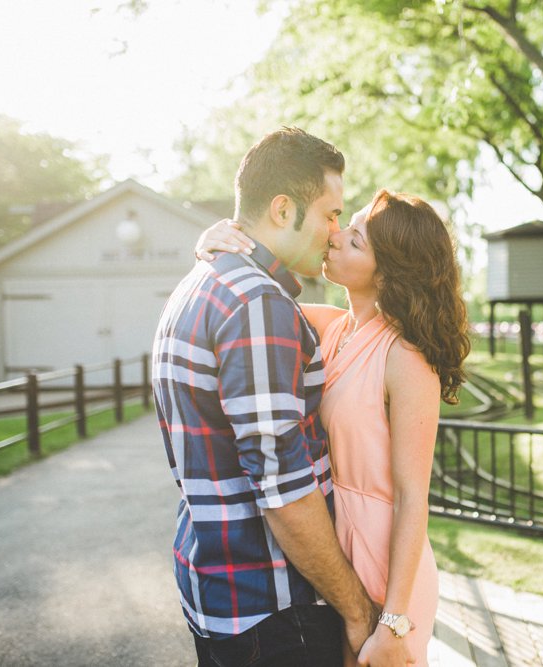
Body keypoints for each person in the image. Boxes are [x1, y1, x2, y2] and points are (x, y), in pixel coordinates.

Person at [195, 189, 471, 666]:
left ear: (387, 273)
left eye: (356, 240)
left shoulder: (405, 358)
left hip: (386, 564)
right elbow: (244, 302)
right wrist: (212, 241)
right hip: (334, 549)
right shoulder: (331, 327)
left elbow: (412, 498)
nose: (335, 236)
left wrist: (395, 619)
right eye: (348, 224)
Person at [152, 127, 380, 667]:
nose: (333, 232)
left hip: (224, 593)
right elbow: (285, 491)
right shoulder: (257, 303)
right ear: (282, 209)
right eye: (329, 213)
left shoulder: (207, 280)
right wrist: (355, 609)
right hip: (274, 609)